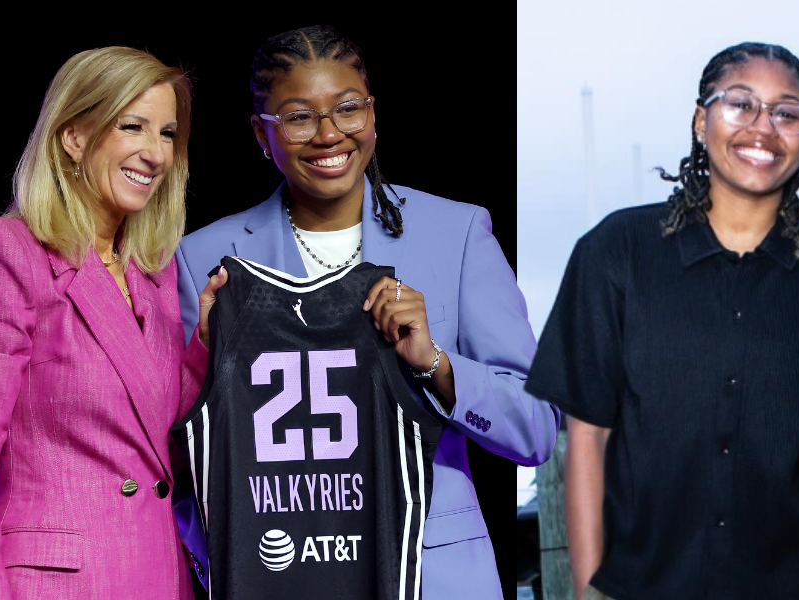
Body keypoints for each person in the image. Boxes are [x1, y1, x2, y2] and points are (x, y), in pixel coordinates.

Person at [524, 42, 799, 600]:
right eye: (740, 104)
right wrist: (587, 589)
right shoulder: (616, 252)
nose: (763, 128)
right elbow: (587, 438)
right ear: (701, 121)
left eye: (787, 112)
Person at [173, 25, 559, 598]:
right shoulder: (203, 257)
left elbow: (536, 429)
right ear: (262, 133)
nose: (330, 134)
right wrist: (223, 567)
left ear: (373, 113)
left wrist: (435, 365)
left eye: (348, 108)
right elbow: (183, 456)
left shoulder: (455, 234)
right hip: (277, 575)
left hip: (432, 577)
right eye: (300, 117)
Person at [0, 46, 226, 599]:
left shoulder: (154, 274)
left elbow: (156, 440)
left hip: (158, 576)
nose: (155, 153)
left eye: (167, 134)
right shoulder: (4, 249)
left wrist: (204, 345)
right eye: (132, 126)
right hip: (55, 584)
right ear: (74, 136)